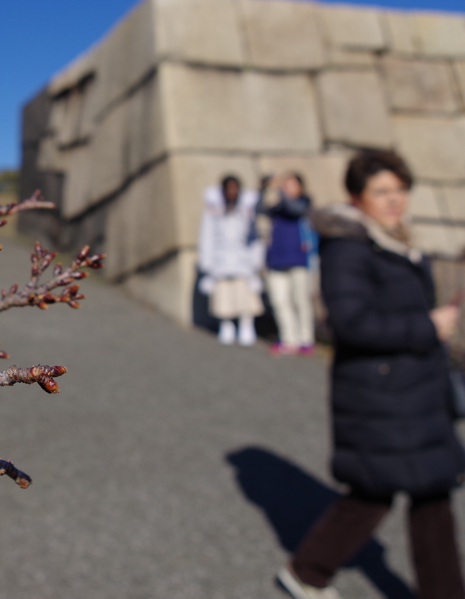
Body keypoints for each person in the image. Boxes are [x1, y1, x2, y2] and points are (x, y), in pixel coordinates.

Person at [278, 149, 465, 599]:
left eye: (400, 189)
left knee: (418, 492)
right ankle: (306, 573)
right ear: (356, 197)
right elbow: (350, 323)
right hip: (381, 393)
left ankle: (307, 573)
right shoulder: (349, 247)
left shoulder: (392, 241)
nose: (394, 199)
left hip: (410, 389)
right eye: (381, 191)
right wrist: (428, 327)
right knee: (381, 492)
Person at [197, 175, 264, 347]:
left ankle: (246, 326)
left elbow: (254, 236)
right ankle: (226, 326)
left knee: (245, 296)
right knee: (223, 298)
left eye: (235, 188)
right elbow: (207, 236)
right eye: (229, 188)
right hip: (221, 262)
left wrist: (256, 262)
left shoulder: (247, 210)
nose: (232, 192)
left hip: (244, 262)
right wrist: (207, 264)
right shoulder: (213, 210)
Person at [257, 172, 316, 356]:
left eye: (291, 185)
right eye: (285, 185)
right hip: (276, 259)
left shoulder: (304, 202)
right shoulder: (276, 207)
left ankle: (306, 339)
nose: (287, 188)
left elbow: (294, 209)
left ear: (300, 187)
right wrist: (263, 189)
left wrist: (280, 192)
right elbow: (259, 210)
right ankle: (288, 338)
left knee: (300, 300)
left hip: (299, 258)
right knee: (279, 301)